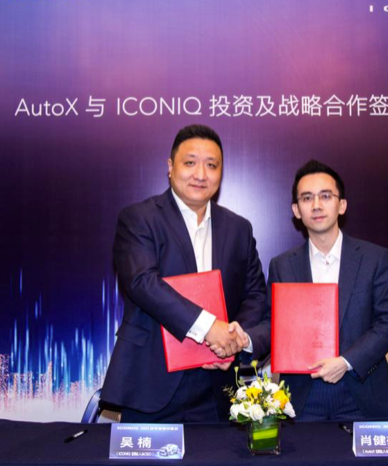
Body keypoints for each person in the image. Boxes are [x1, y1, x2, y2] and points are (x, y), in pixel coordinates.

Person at [101, 124, 267, 423]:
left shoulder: (239, 228)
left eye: (211, 165)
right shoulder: (139, 218)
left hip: (218, 385)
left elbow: (255, 295)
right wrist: (210, 327)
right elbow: (142, 283)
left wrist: (233, 341)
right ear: (170, 167)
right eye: (190, 162)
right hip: (152, 382)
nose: (201, 174)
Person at [248, 159, 388, 420]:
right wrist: (244, 340)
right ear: (296, 210)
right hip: (302, 398)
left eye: (326, 196)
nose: (317, 205)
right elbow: (274, 325)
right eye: (307, 198)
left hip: (362, 392)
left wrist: (346, 362)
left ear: (341, 205)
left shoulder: (374, 258)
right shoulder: (282, 265)